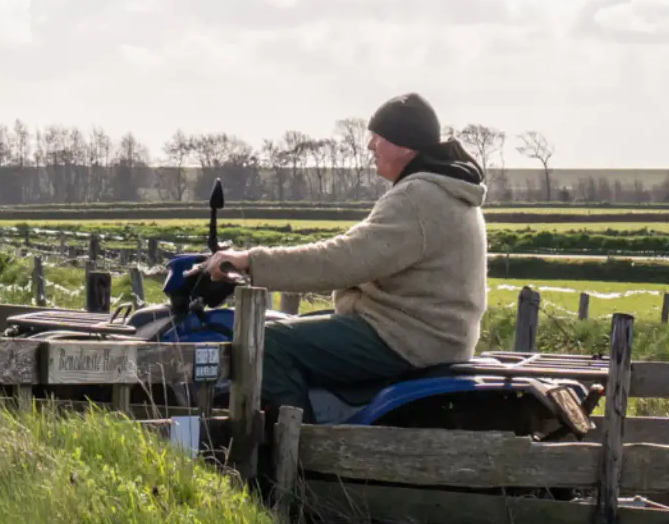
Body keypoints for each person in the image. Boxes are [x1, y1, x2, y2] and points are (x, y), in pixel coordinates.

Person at [199, 92, 488, 416]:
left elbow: (343, 260)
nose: (369, 146)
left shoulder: (418, 196)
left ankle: (291, 453)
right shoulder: (439, 190)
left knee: (264, 343)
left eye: (378, 137)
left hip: (405, 338)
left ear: (406, 145)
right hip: (420, 333)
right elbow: (358, 254)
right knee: (286, 327)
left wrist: (251, 261)